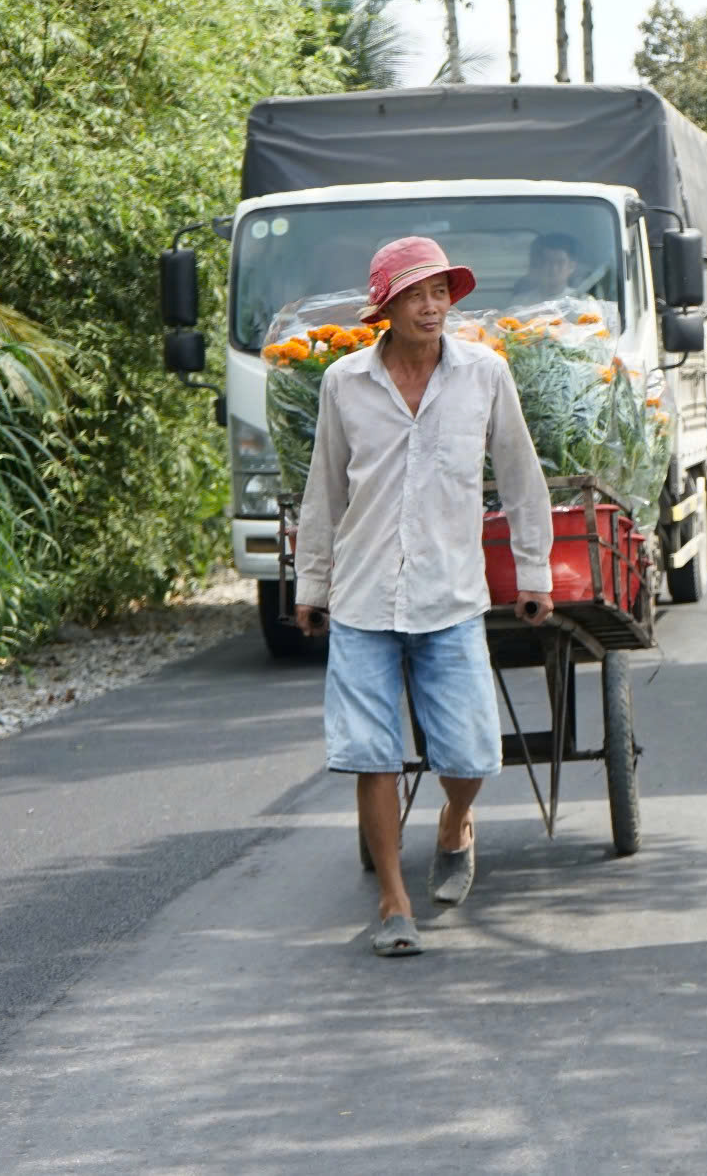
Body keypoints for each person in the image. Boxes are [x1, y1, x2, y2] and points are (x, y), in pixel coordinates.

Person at [294, 235, 556, 959]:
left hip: (450, 592)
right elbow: (326, 489)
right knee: (372, 753)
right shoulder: (344, 383)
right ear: (386, 307)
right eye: (417, 293)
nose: (433, 304)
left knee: (471, 753)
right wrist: (311, 583)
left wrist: (533, 573)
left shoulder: (485, 374)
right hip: (364, 596)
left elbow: (519, 474)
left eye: (440, 290)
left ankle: (454, 823)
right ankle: (393, 898)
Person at [508, 231, 582, 306]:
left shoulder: (581, 303)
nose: (553, 269)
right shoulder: (520, 303)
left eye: (560, 262)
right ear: (538, 265)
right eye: (547, 261)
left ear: (572, 266)